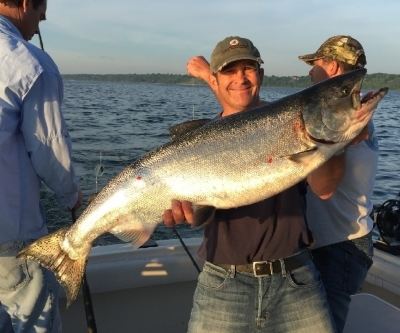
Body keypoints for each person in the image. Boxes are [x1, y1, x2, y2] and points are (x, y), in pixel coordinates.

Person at [163, 36, 336, 333]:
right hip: (223, 283)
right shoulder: (195, 143)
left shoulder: (295, 122)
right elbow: (197, 216)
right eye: (230, 71)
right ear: (214, 80)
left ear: (261, 74)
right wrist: (187, 213)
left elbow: (326, 188)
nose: (240, 78)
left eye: (249, 68)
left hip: (296, 278)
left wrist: (335, 140)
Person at [0, 0, 82, 332]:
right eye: (41, 8)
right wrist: (74, 199)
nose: (43, 17)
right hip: (11, 241)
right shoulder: (28, 63)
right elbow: (50, 151)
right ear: (23, 3)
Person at [298, 35, 376, 333]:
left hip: (339, 246)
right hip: (333, 241)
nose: (309, 72)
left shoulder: (353, 119)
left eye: (314, 65)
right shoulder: (351, 112)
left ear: (330, 67)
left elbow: (357, 133)